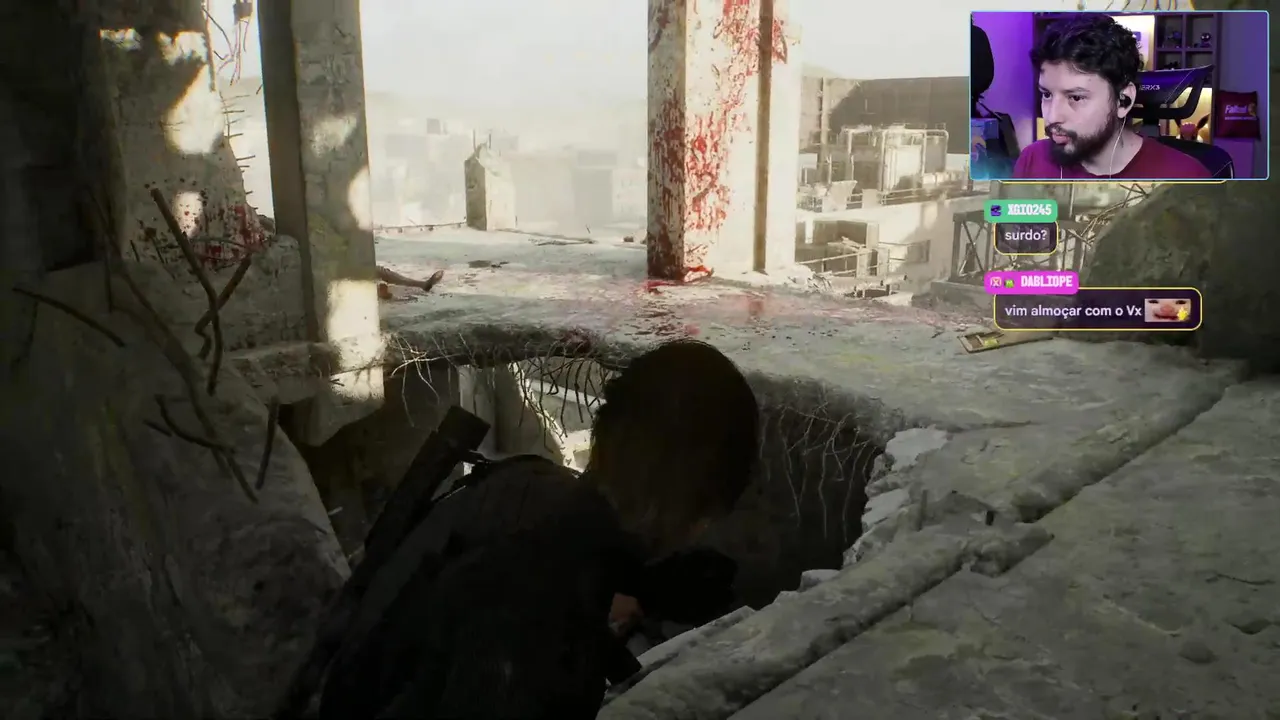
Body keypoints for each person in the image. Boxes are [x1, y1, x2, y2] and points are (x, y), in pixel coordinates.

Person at [316, 339, 760, 719]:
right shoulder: (538, 595)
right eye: (704, 515)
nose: (697, 533)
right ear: (687, 505)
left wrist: (637, 588)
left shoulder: (537, 491)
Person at [1012, 14, 1211, 181]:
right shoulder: (1032, 161)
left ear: (1123, 100)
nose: (1052, 116)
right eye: (1047, 94)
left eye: (1076, 98)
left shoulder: (1187, 177)